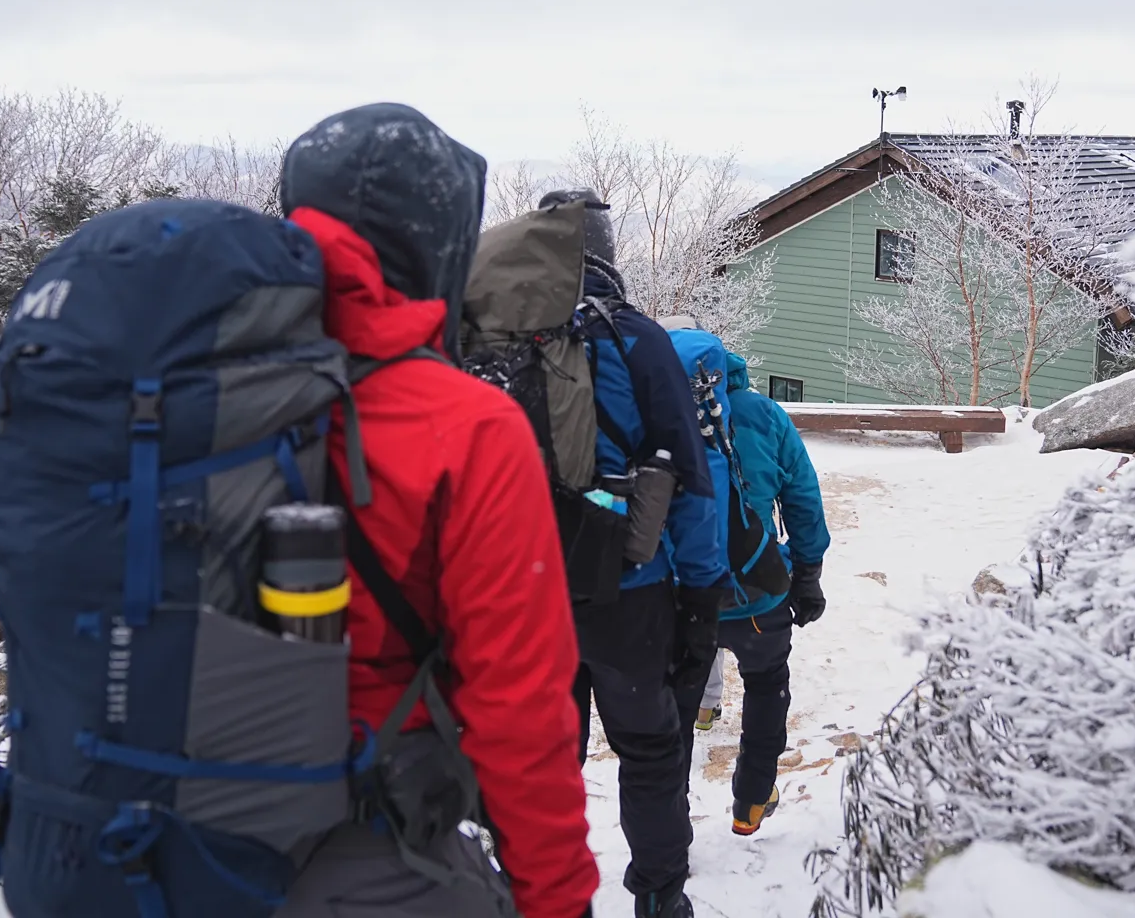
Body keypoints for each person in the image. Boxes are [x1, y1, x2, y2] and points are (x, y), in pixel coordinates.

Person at [277, 105, 599, 918]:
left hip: (117, 833)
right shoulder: (465, 427)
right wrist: (558, 900)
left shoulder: (172, 382)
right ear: (439, 244)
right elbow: (521, 713)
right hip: (354, 843)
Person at [536, 189, 729, 918]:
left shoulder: (493, 338)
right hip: (632, 589)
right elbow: (692, 480)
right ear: (606, 251)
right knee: (649, 750)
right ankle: (659, 896)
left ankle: (549, 897)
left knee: (541, 760)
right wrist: (702, 602)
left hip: (526, 593)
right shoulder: (639, 340)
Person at [674, 346, 828, 837]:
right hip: (759, 595)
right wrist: (807, 574)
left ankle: (667, 819)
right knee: (765, 687)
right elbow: (802, 496)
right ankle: (752, 801)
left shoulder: (652, 412)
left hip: (684, 598)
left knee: (674, 708)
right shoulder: (763, 413)